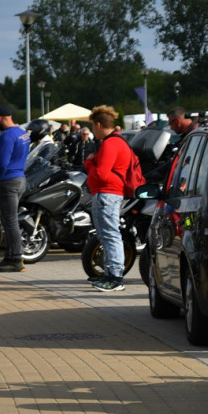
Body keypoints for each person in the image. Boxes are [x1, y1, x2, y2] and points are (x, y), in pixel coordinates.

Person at [84, 105, 132, 292]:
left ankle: (115, 278)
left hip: (107, 193)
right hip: (109, 193)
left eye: (93, 127)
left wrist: (89, 163)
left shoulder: (110, 144)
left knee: (110, 235)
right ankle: (112, 275)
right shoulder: (117, 142)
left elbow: (102, 174)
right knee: (108, 235)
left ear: (97, 124)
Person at [0, 104, 31, 272]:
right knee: (9, 220)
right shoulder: (22, 133)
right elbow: (14, 155)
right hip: (19, 177)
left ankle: (15, 258)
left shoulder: (6, 136)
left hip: (7, 181)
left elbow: (3, 162)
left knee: (10, 221)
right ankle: (10, 256)